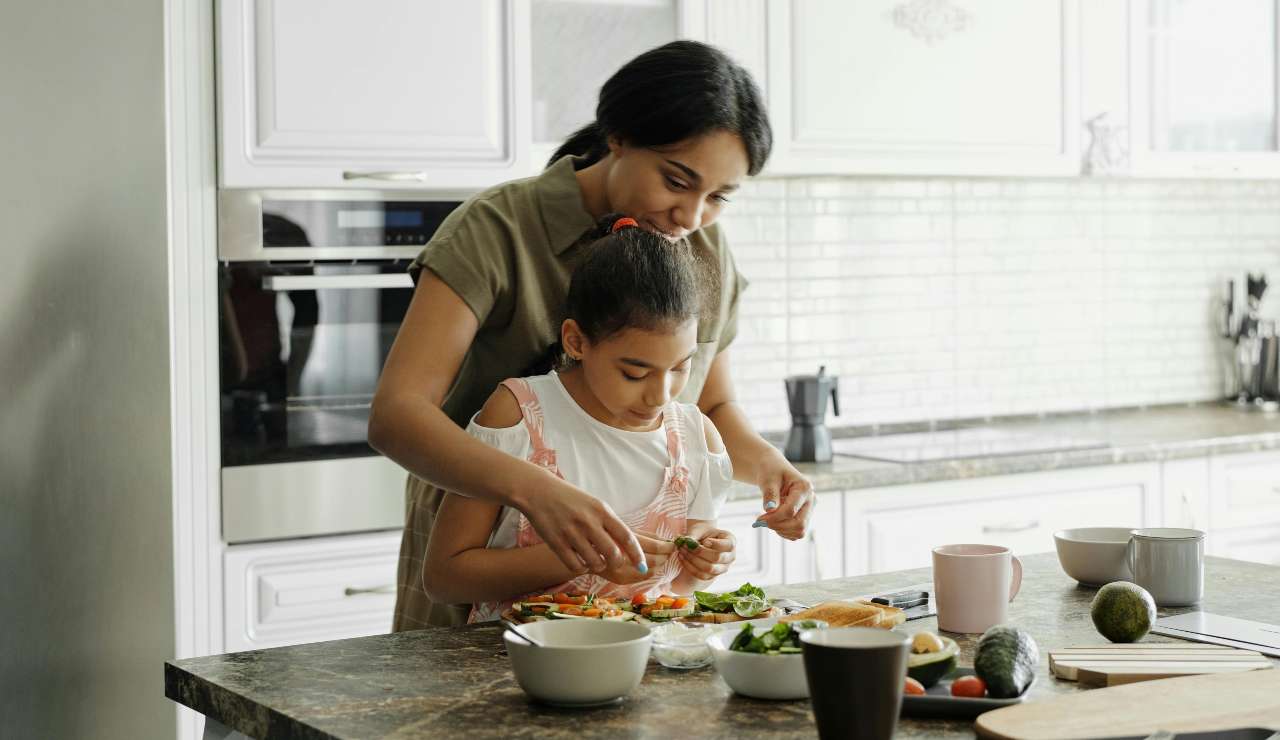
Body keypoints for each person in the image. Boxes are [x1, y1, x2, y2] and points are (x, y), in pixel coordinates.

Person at [369, 40, 817, 630]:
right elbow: (397, 415)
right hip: (481, 562)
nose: (692, 216)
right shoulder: (497, 229)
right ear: (618, 137)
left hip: (627, 611)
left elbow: (709, 403)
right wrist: (537, 492)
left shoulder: (703, 247)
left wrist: (768, 467)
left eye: (718, 198)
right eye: (677, 181)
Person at [423, 215, 736, 621]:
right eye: (635, 373)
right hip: (515, 665)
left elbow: (678, 589)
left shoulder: (696, 438)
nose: (660, 395)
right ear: (576, 341)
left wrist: (705, 565)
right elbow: (444, 577)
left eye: (680, 367)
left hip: (645, 665)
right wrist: (580, 558)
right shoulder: (519, 416)